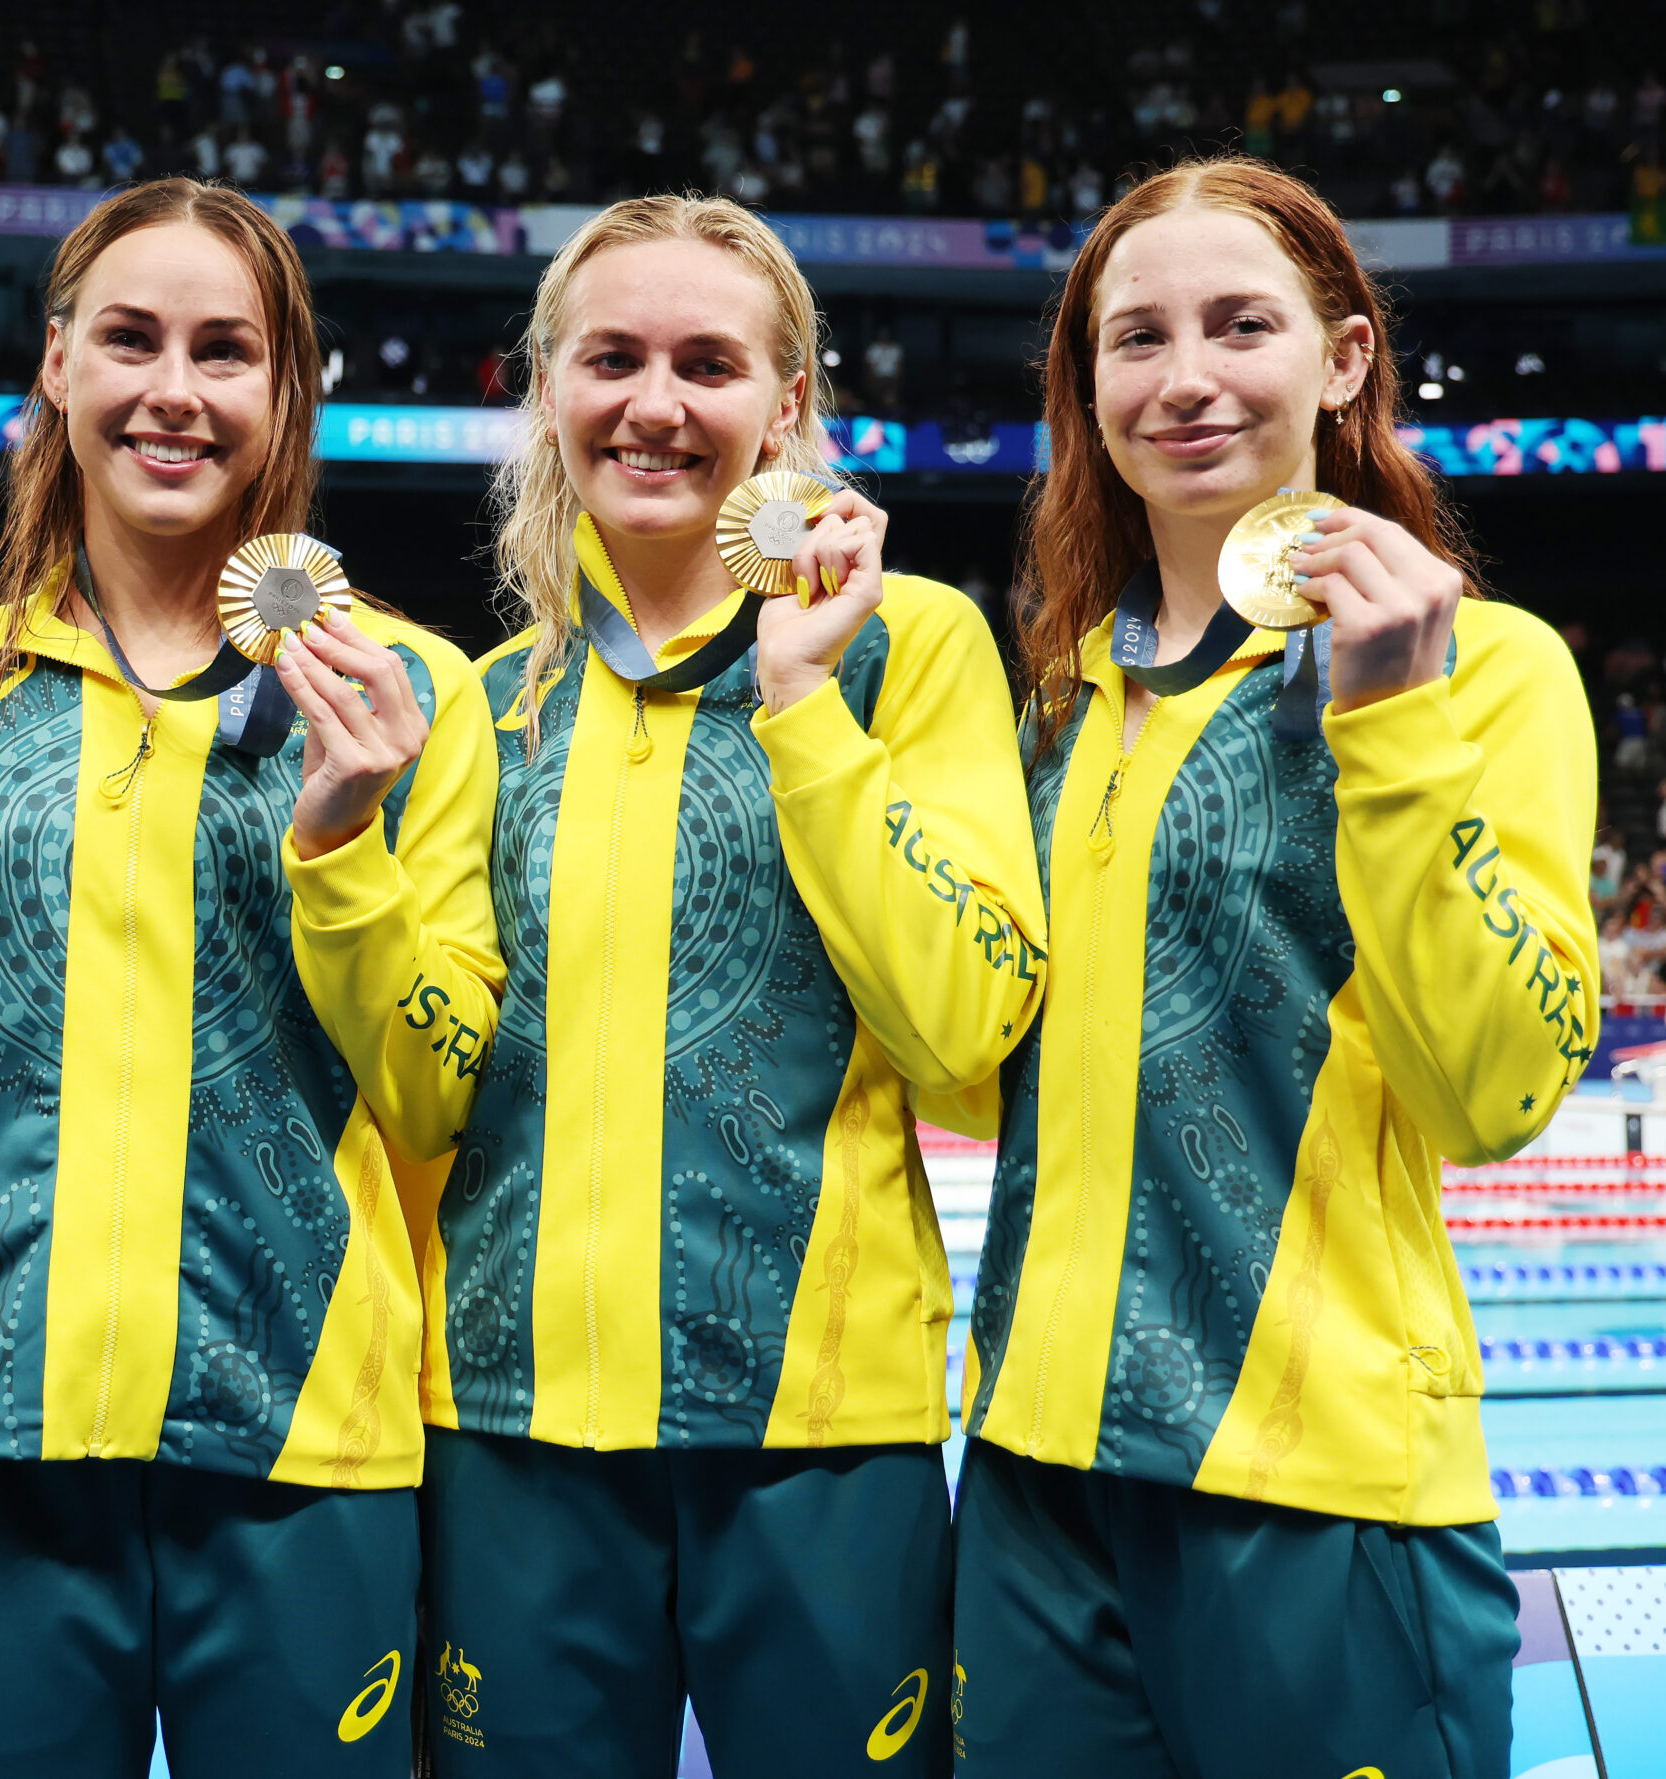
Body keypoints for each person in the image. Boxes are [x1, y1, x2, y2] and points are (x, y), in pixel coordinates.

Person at [0, 177, 500, 1775]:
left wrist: (343, 846)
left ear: (287, 396)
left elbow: (443, 1089)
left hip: (306, 1453)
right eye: (130, 338)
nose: (175, 391)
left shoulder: (413, 694)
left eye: (228, 351)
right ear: (57, 366)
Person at [956, 157, 1598, 1779]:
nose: (1184, 379)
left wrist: (1392, 727)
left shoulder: (1492, 674)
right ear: (1086, 386)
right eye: (1135, 338)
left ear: (1345, 359)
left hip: (1322, 1488)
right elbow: (979, 1063)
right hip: (1040, 1484)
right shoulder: (1057, 706)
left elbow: (1500, 1091)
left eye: (1241, 324)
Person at [425, 194, 1043, 1776]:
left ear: (790, 406)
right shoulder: (491, 705)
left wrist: (807, 709)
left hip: (822, 1438)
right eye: (611, 358)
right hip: (516, 1421)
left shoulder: (915, 650)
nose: (655, 405)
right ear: (549, 390)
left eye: (708, 363)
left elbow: (972, 1033)